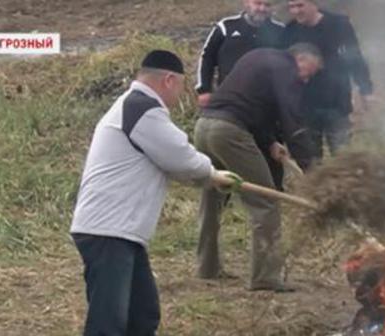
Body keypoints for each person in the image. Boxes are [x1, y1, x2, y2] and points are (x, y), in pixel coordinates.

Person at [70, 50, 236, 335]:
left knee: (143, 315)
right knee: (108, 323)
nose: (181, 94)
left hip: (121, 231)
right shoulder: (142, 108)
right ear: (168, 80)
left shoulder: (133, 107)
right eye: (183, 86)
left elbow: (171, 163)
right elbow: (179, 156)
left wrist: (208, 178)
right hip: (108, 230)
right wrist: (211, 172)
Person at [194, 43, 322, 291]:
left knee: (211, 197)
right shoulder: (286, 69)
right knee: (265, 202)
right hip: (229, 132)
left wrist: (270, 142)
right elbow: (292, 122)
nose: (306, 79)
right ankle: (265, 277)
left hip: (204, 126)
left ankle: (206, 267)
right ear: (300, 58)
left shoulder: (258, 57)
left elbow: (251, 104)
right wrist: (313, 172)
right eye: (309, 71)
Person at [195, 0, 286, 190]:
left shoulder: (281, 31)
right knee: (222, 159)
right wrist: (204, 89)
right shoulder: (226, 27)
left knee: (269, 151)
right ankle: (223, 198)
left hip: (265, 107)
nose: (261, 9)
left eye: (267, 5)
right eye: (258, 3)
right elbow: (207, 56)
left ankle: (273, 193)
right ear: (246, 3)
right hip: (230, 106)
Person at [282, 0, 373, 159]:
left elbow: (355, 57)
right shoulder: (290, 30)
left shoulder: (339, 24)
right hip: (305, 104)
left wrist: (365, 89)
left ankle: (345, 184)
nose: (296, 11)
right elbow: (284, 66)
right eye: (292, 7)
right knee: (311, 160)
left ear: (314, 4)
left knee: (343, 157)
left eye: (300, 5)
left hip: (336, 101)